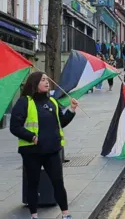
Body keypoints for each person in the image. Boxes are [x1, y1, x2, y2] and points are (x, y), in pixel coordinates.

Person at [10, 72, 78, 219]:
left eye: (47, 80)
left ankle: (66, 214)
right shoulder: (24, 102)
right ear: (34, 83)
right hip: (32, 151)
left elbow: (61, 122)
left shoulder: (52, 101)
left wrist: (72, 110)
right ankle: (34, 215)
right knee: (33, 183)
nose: (47, 82)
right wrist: (31, 136)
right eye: (43, 80)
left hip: (52, 150)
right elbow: (14, 126)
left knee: (58, 182)